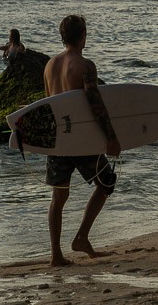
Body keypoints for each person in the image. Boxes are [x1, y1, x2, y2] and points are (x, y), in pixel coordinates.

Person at [42, 14, 120, 267]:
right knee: (106, 182)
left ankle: (56, 255)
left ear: (62, 36)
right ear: (83, 35)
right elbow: (96, 105)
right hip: (81, 140)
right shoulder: (85, 66)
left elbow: (49, 105)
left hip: (58, 141)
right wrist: (111, 138)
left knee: (58, 197)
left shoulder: (49, 65)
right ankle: (81, 237)